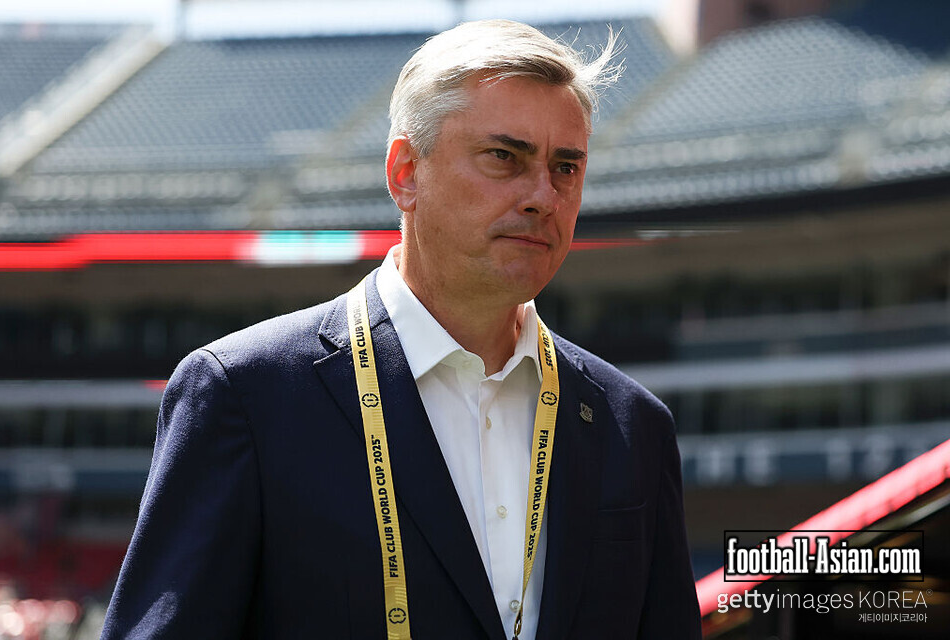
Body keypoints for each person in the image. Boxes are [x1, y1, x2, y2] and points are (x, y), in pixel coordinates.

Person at [101, 19, 701, 640]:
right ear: (406, 172)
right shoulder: (246, 396)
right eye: (505, 157)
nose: (542, 196)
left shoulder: (634, 424)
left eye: (566, 168)